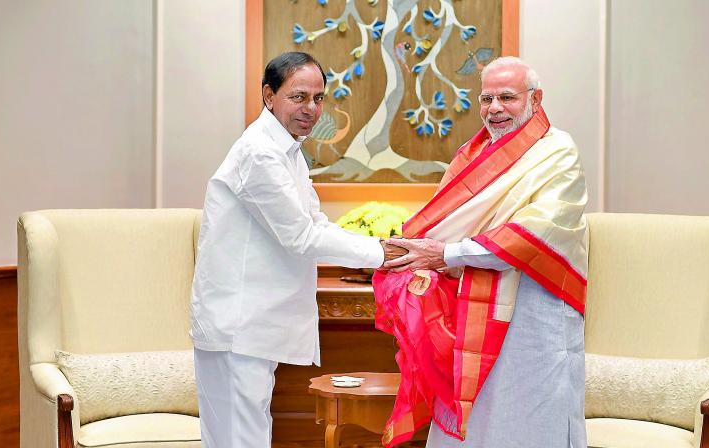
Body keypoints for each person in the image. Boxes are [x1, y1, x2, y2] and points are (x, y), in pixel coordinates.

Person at [190, 51, 405, 448]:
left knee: (244, 437)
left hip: (251, 325)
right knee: (240, 441)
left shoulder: (287, 148)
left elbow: (315, 224)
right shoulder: (260, 153)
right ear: (269, 96)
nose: (311, 109)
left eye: (318, 98)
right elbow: (301, 237)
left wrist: (381, 249)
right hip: (238, 325)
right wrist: (381, 252)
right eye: (298, 97)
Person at [378, 56, 589, 447]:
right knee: (473, 424)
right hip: (470, 304)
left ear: (536, 99)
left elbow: (531, 234)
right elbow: (442, 225)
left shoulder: (557, 152)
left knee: (530, 419)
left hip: (534, 313)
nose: (494, 109)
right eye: (486, 99)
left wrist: (446, 254)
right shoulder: (470, 154)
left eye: (506, 98)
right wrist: (418, 251)